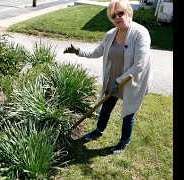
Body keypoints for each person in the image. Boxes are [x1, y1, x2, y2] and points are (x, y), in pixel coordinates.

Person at [64, 0, 151, 154]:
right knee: (106, 108)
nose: (117, 17)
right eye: (113, 15)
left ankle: (124, 142)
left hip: (131, 81)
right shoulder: (111, 34)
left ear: (129, 12)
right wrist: (78, 51)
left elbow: (140, 65)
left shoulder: (140, 33)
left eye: (120, 13)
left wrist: (120, 81)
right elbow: (97, 52)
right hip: (113, 80)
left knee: (128, 113)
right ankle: (98, 130)